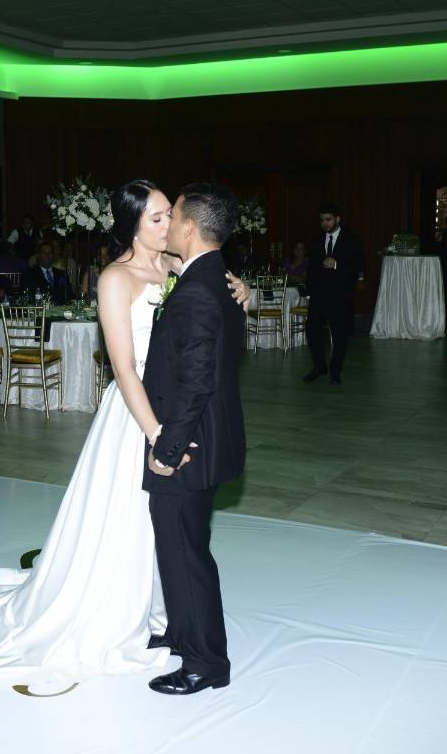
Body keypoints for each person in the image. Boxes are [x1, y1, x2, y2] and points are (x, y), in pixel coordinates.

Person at [0, 178, 251, 692]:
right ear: (134, 226)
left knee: (165, 530)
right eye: (158, 216)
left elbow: (213, 290)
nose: (168, 224)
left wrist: (244, 291)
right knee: (125, 519)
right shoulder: (115, 278)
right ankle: (118, 614)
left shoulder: (175, 268)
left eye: (170, 214)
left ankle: (170, 624)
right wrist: (154, 434)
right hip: (137, 415)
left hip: (175, 412)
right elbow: (123, 368)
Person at [141, 182, 246, 695]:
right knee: (181, 543)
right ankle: (184, 633)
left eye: (173, 215)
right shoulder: (212, 278)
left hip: (189, 446)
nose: (168, 224)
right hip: (202, 439)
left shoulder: (203, 288)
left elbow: (196, 381)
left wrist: (167, 450)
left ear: (189, 225)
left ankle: (206, 662)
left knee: (186, 551)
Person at [303, 202, 364, 384]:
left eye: (328, 220)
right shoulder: (316, 239)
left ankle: (335, 370)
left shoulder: (351, 239)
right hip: (319, 295)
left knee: (339, 334)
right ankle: (319, 366)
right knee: (312, 329)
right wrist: (308, 293)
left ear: (338, 219)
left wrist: (337, 265)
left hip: (340, 295)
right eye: (322, 220)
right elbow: (312, 267)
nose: (325, 224)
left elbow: (359, 266)